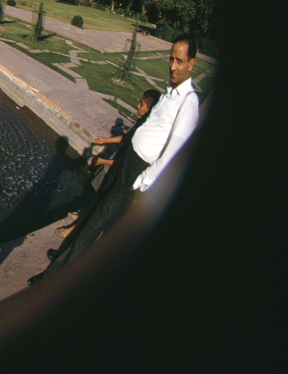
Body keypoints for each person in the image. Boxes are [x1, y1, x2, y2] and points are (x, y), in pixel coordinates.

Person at [29, 35, 201, 284]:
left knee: (94, 226)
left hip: (135, 172)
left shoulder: (189, 102)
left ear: (191, 63)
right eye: (171, 59)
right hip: (125, 162)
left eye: (180, 61)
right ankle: (64, 255)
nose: (173, 66)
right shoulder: (169, 93)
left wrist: (142, 180)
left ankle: (52, 278)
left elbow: (174, 152)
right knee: (91, 212)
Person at [55, 89, 161, 239]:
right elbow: (125, 138)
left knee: (99, 202)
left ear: (149, 109)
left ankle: (74, 228)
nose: (138, 105)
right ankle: (82, 214)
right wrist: (105, 140)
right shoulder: (141, 124)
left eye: (142, 104)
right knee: (96, 195)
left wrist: (103, 161)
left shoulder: (145, 132)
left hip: (120, 174)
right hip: (115, 169)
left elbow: (125, 163)